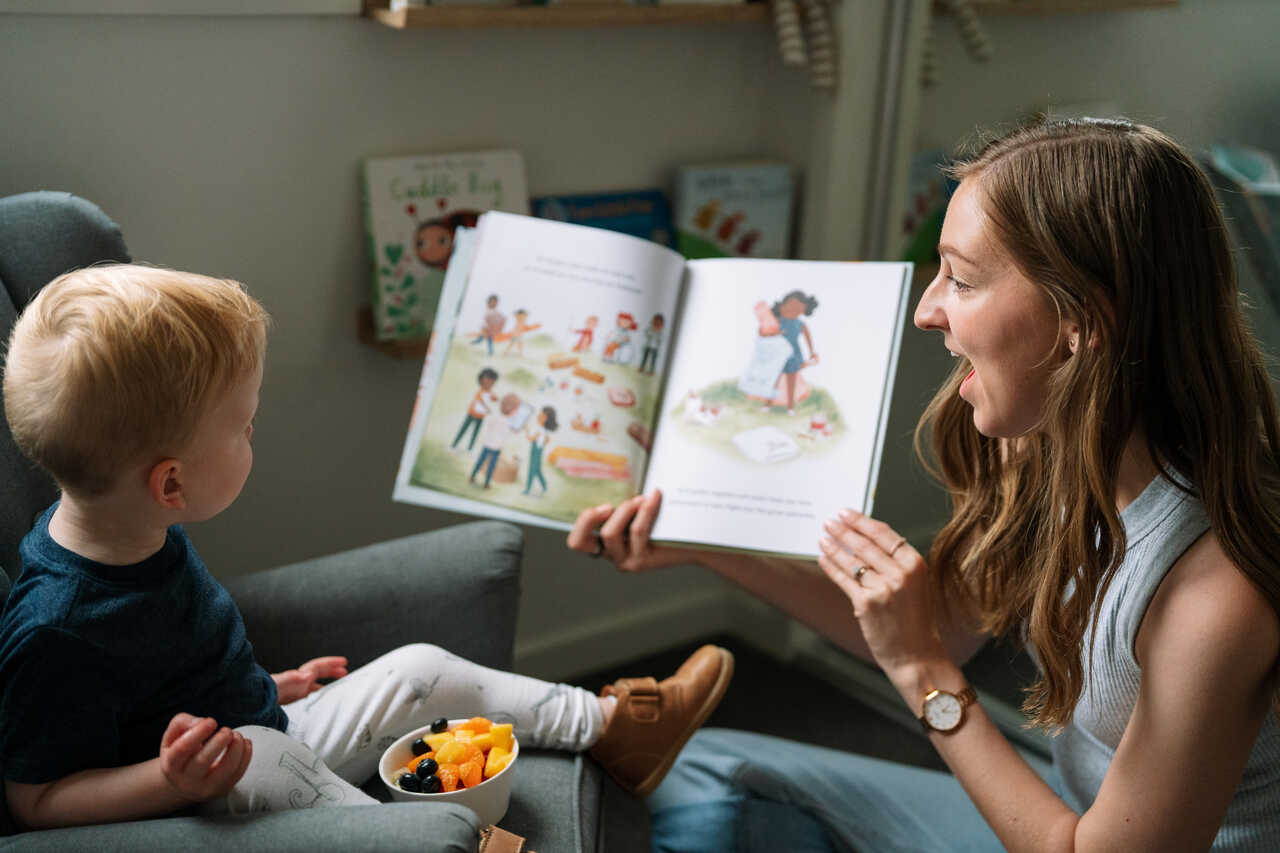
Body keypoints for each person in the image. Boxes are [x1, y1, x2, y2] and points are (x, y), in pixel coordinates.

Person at [567, 118, 1280, 851]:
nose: (926, 308)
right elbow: (940, 622)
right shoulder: (1047, 450)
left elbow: (928, 650)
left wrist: (918, 669)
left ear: (1082, 322)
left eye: (962, 280)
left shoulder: (1215, 593)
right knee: (695, 770)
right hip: (1065, 808)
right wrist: (708, 543)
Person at [0, 264, 735, 830]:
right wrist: (169, 780)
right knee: (270, 760)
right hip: (198, 800)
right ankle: (423, 839)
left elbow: (172, 666)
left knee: (419, 669)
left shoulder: (138, 533)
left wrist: (269, 684)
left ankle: (613, 728)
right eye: (243, 426)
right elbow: (34, 799)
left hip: (257, 724)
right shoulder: (59, 626)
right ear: (171, 483)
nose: (254, 434)